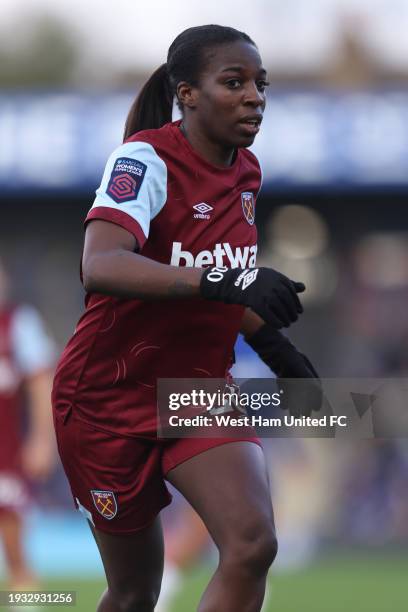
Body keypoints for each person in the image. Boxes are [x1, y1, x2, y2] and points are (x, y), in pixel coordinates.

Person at [52, 25, 318, 612]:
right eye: (234, 82)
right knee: (134, 592)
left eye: (260, 84)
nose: (255, 96)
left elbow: (217, 283)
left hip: (196, 392)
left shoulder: (246, 172)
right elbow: (100, 265)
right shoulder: (145, 159)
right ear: (187, 94)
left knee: (252, 544)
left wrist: (282, 355)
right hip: (105, 401)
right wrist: (227, 280)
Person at [0, 259, 55, 590]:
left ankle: (28, 599)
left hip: (6, 451)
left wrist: (42, 440)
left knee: (12, 540)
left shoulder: (18, 322)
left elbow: (39, 382)